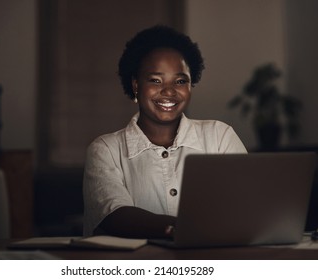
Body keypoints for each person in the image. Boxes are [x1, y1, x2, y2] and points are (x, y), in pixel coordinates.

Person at [83, 25, 247, 239]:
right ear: (135, 85)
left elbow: (246, 204)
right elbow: (115, 216)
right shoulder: (105, 150)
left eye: (180, 81)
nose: (169, 91)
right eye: (155, 80)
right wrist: (186, 228)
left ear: (191, 85)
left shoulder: (219, 136)